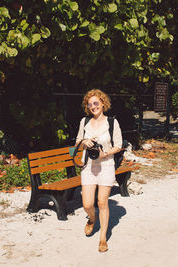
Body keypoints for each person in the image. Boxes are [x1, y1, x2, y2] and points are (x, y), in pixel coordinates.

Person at [75, 89, 122, 252]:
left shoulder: (112, 122)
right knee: (87, 203)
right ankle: (92, 219)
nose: (93, 106)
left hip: (106, 165)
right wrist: (85, 141)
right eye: (90, 104)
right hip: (88, 165)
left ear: (103, 103)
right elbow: (76, 143)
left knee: (102, 202)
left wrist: (105, 153)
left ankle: (103, 238)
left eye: (96, 103)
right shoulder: (84, 121)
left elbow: (119, 145)